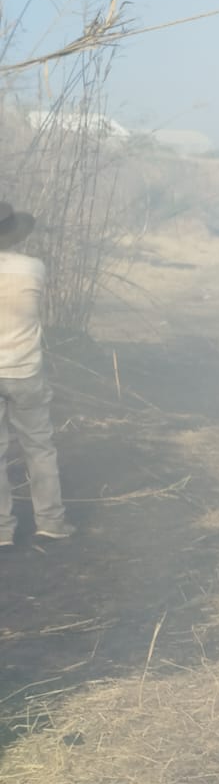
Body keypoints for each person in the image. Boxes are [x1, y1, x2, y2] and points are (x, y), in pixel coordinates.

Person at [0, 200, 72, 548]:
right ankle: (51, 522)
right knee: (39, 447)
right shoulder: (34, 268)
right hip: (25, 369)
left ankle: (1, 530)